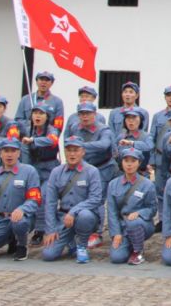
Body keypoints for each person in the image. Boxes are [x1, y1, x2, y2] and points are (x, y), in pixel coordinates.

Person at [41, 136, 103, 263]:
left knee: (85, 216)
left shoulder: (92, 171)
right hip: (64, 219)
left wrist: (74, 211)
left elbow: (95, 199)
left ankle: (82, 245)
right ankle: (71, 242)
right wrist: (50, 230)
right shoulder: (56, 172)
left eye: (76, 150)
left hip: (85, 216)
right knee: (48, 255)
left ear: (83, 152)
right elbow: (50, 203)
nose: (72, 154)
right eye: (69, 150)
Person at [64, 101, 117, 249]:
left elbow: (104, 145)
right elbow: (68, 143)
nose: (85, 117)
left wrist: (81, 146)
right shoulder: (75, 128)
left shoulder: (103, 129)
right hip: (83, 168)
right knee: (83, 197)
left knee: (98, 199)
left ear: (95, 114)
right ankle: (83, 228)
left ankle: (97, 233)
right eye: (82, 114)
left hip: (103, 167)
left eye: (88, 113)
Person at [107, 147, 158, 265]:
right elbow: (112, 212)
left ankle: (138, 251)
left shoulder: (147, 184)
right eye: (126, 161)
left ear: (139, 163)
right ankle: (129, 245)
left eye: (133, 161)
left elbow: (152, 209)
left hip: (141, 224)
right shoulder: (113, 184)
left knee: (133, 222)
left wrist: (139, 213)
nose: (129, 164)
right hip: (123, 226)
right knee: (117, 258)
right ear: (121, 162)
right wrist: (116, 233)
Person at [21, 102, 60, 246]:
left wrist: (34, 140)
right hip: (34, 167)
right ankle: (30, 226)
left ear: (47, 116)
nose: (37, 116)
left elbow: (52, 140)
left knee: (43, 196)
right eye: (35, 113)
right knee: (31, 196)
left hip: (50, 168)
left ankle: (41, 230)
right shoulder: (27, 130)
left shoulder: (52, 130)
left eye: (41, 113)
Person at [14, 71, 65, 136]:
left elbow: (58, 126)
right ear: (36, 81)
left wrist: (45, 128)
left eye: (47, 80)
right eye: (41, 79)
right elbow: (17, 120)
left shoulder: (57, 102)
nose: (44, 82)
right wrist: (30, 124)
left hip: (46, 139)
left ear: (52, 83)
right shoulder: (25, 99)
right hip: (26, 137)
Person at [116, 108, 154, 175]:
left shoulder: (146, 136)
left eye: (134, 118)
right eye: (128, 118)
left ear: (140, 120)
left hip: (141, 174)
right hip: (123, 174)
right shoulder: (121, 137)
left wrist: (131, 143)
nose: (131, 121)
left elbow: (149, 147)